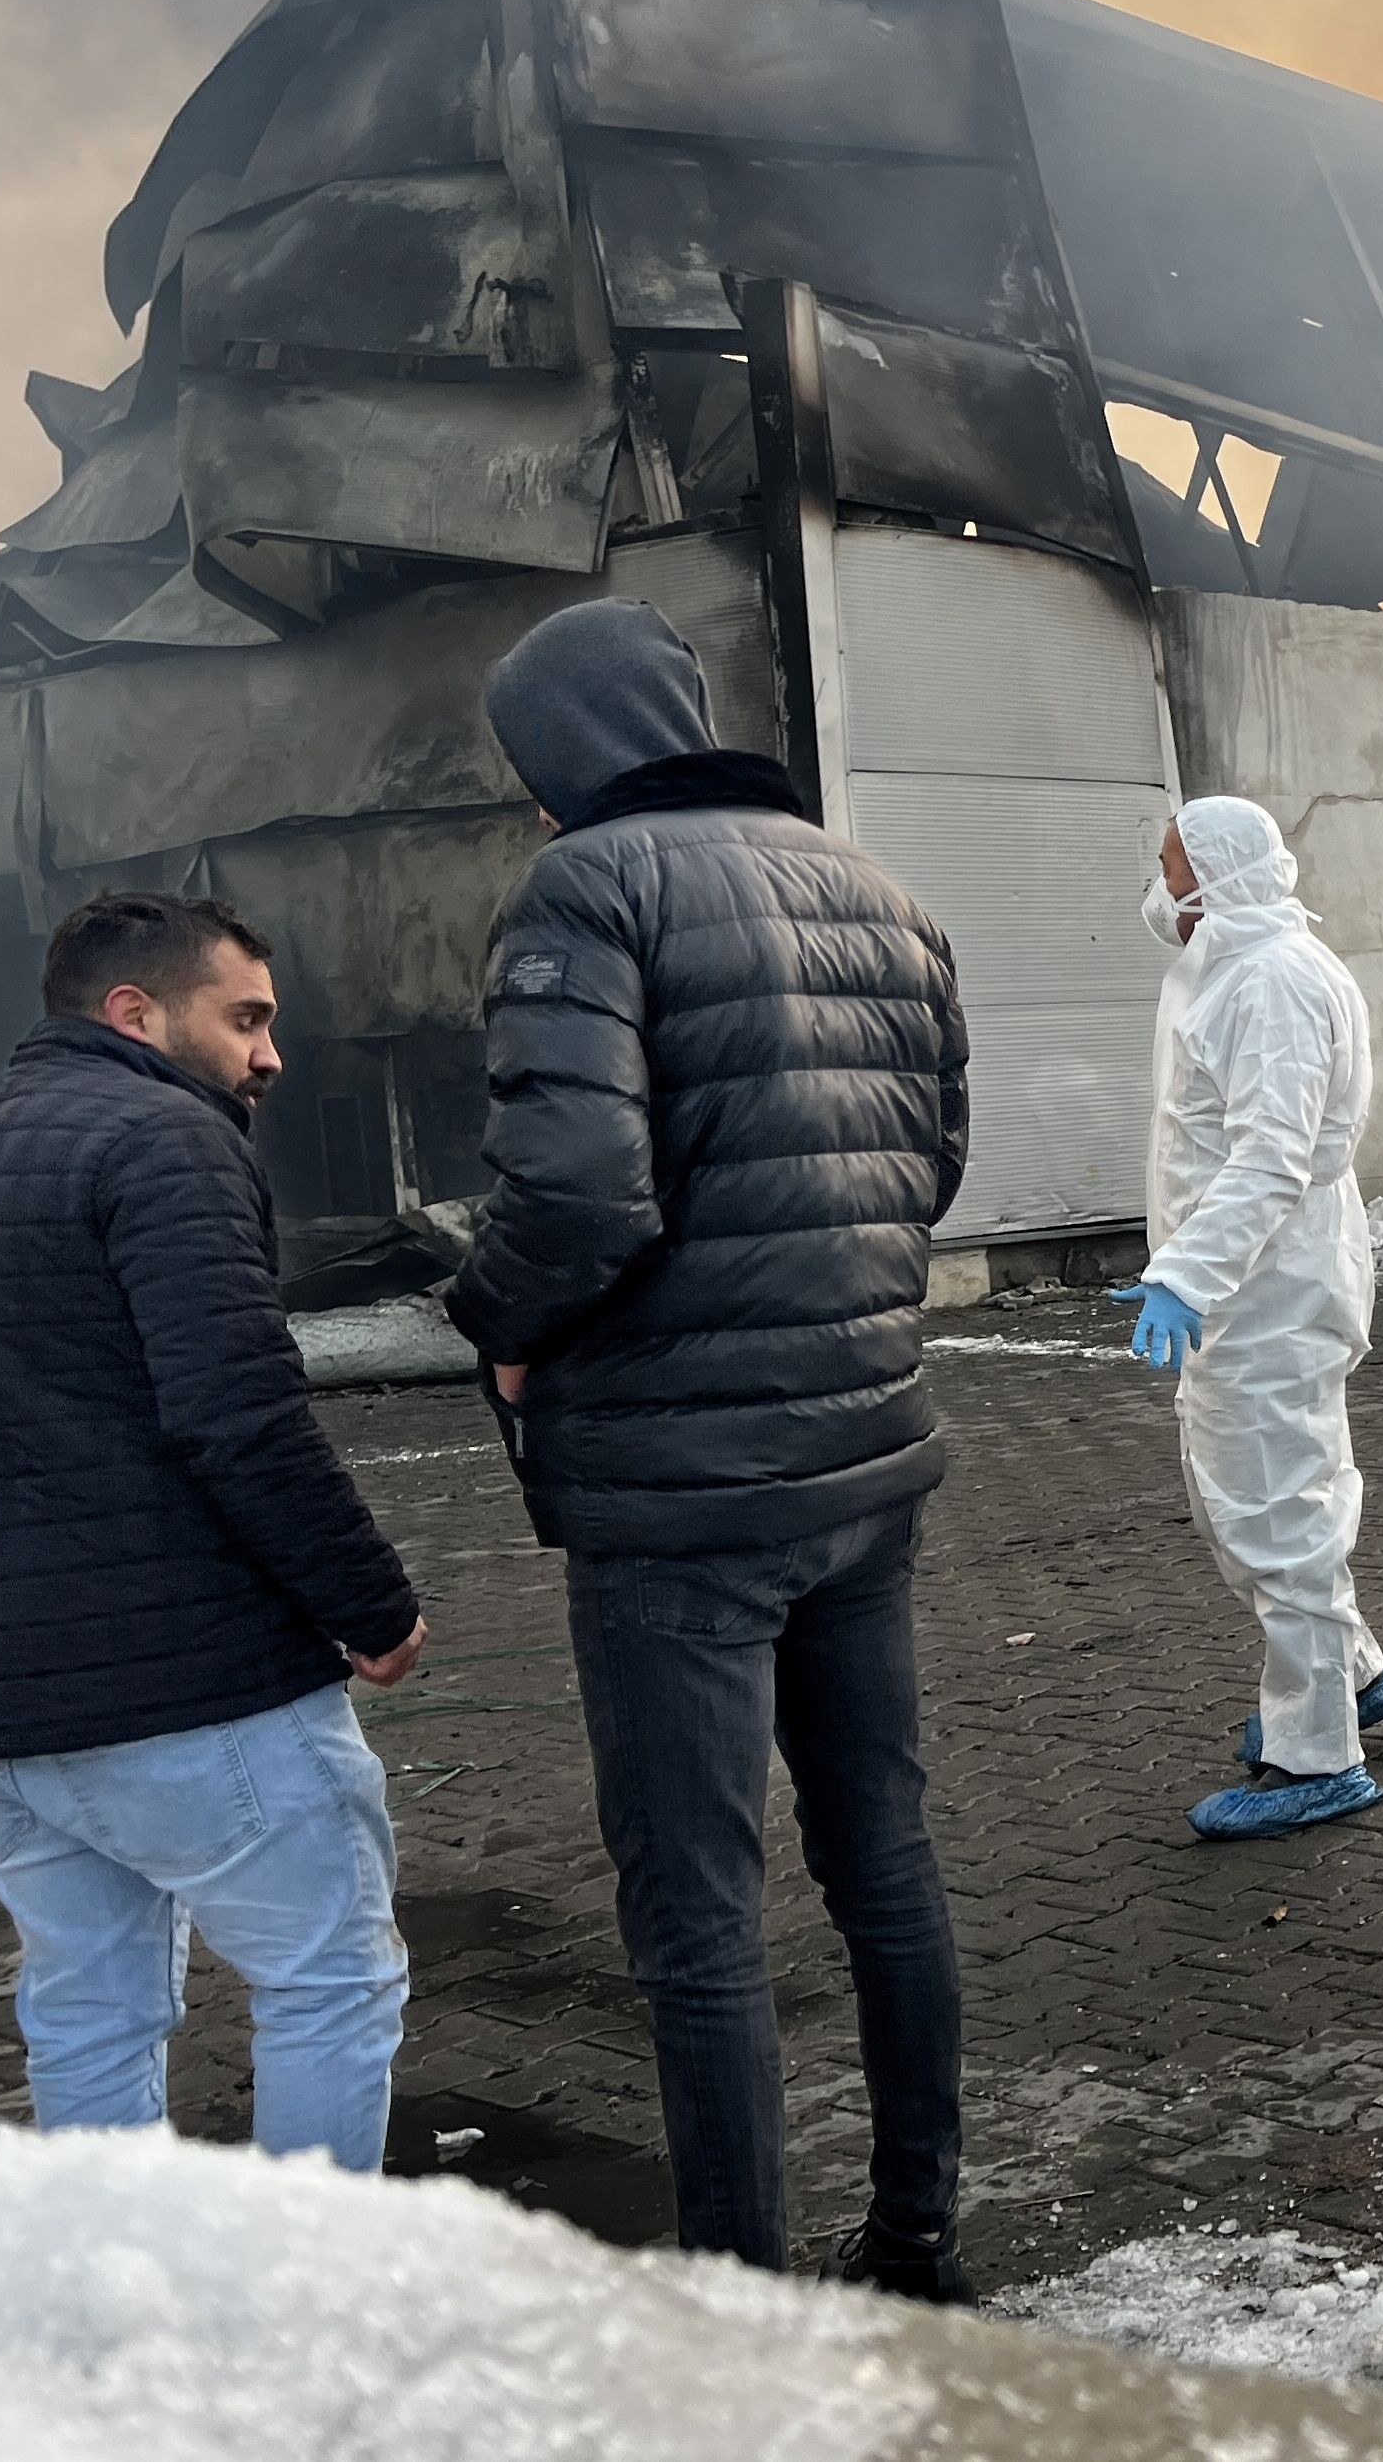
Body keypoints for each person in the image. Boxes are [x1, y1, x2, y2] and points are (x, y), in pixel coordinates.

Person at [449, 599, 973, 2298]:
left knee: (696, 1913)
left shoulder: (583, 892)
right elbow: (929, 1162)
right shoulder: (875, 888)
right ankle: (914, 2235)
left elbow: (582, 1194)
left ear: (560, 756)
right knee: (881, 1857)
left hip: (680, 1496)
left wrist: (498, 1317)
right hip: (864, 1456)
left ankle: (738, 2308)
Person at [0, 892, 424, 2163]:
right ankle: (298, 2330)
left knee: (88, 2013)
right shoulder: (166, 1140)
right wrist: (374, 1604)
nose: (270, 1054)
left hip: (8, 1715)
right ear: (135, 1011)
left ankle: (121, 2316)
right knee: (332, 1983)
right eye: (245, 1018)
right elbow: (237, 1411)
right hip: (196, 1692)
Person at [1123, 794, 1383, 1840]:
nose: (1160, 887)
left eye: (1171, 864)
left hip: (1267, 1287)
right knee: (1248, 1499)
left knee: (1277, 1511)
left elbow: (1272, 1155)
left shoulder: (1273, 978)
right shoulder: (1237, 967)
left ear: (1217, 872)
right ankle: (1356, 1674)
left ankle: (1319, 1753)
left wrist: (1187, 1274)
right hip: (1259, 1283)